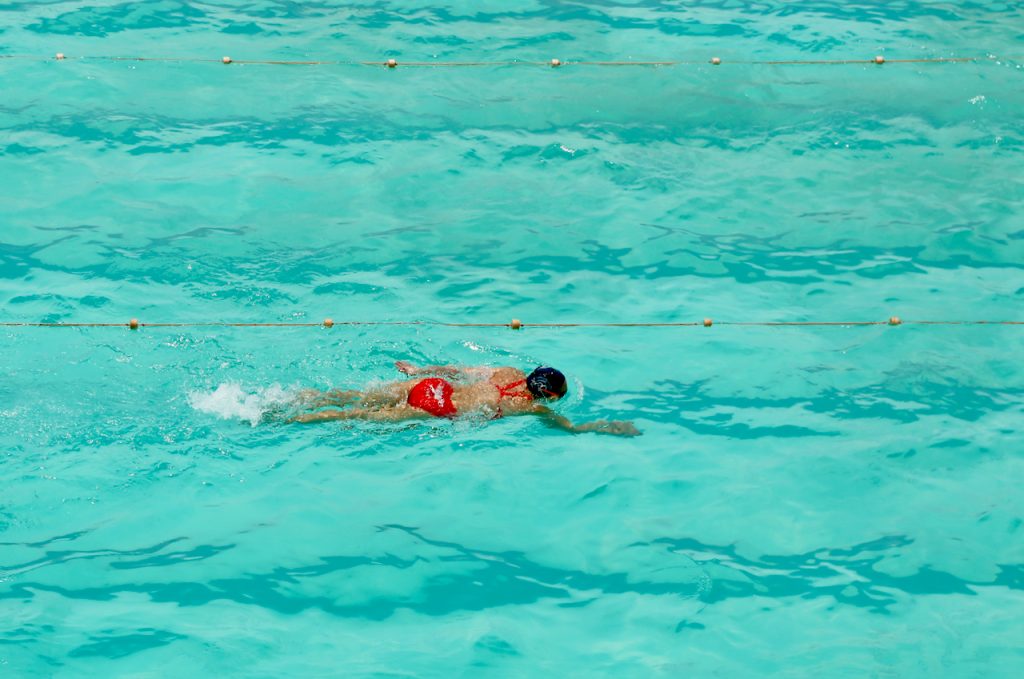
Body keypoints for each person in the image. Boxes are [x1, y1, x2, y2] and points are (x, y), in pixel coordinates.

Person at [288, 361, 639, 436]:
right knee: (355, 417)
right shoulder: (529, 408)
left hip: (429, 385)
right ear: (545, 395)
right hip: (437, 407)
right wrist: (607, 427)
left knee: (356, 397)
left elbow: (458, 369)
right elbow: (571, 428)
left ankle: (303, 399)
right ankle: (294, 421)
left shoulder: (507, 371)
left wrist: (416, 371)